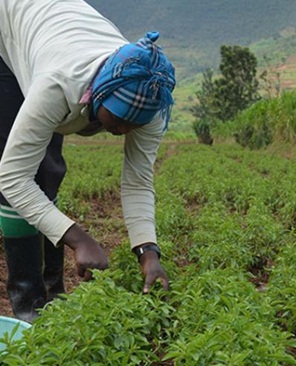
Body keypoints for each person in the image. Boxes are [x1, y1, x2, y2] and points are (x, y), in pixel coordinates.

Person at [0, 0, 175, 322]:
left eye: (133, 125)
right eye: (118, 120)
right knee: (21, 171)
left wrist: (147, 250)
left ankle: (54, 294)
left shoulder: (152, 96)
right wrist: (80, 239)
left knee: (48, 172)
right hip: (8, 28)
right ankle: (28, 304)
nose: (123, 131)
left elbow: (137, 181)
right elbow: (11, 176)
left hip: (53, 37)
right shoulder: (57, 83)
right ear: (97, 93)